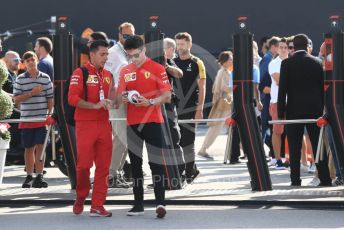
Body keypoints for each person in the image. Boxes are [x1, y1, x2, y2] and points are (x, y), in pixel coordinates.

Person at [117, 35, 170, 218]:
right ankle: (138, 204)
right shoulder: (125, 70)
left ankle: (160, 203)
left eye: (137, 55)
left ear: (144, 50)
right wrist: (123, 97)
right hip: (133, 123)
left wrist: (150, 101)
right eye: (130, 56)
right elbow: (118, 97)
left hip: (154, 121)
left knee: (156, 163)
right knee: (136, 165)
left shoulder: (157, 68)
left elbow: (167, 96)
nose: (134, 59)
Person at [278, 34, 332, 186]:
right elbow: (323, 90)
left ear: (293, 47)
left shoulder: (286, 64)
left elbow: (282, 90)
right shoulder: (317, 62)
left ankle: (295, 180)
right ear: (307, 46)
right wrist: (325, 111)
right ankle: (325, 179)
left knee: (294, 147)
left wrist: (281, 113)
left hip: (293, 110)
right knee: (317, 145)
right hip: (315, 111)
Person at [69, 40, 113, 217]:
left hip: (104, 124)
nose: (106, 57)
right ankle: (81, 197)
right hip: (85, 124)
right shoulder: (80, 72)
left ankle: (97, 205)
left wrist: (117, 100)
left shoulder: (109, 74)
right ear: (92, 54)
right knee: (84, 165)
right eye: (102, 54)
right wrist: (94, 106)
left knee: (104, 167)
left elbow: (112, 98)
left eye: (107, 54)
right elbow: (72, 99)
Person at [13, 51, 53, 188]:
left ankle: (39, 176)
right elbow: (16, 99)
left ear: (36, 60)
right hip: (26, 119)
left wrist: (49, 115)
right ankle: (29, 176)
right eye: (27, 60)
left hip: (42, 119)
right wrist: (32, 93)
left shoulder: (46, 78)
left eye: (33, 59)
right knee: (28, 148)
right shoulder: (20, 79)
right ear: (24, 63)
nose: (31, 62)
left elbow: (50, 98)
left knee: (41, 148)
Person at [104, 22, 135, 188]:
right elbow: (107, 77)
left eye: (131, 35)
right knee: (121, 139)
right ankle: (109, 175)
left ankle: (115, 174)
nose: (128, 38)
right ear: (119, 36)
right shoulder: (113, 53)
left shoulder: (128, 53)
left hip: (128, 99)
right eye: (125, 35)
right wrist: (111, 99)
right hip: (117, 100)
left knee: (125, 140)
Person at [174, 32, 206, 183]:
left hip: (191, 107)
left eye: (183, 44)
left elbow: (203, 87)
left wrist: (199, 110)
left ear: (190, 44)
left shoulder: (197, 62)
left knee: (188, 140)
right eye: (178, 44)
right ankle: (188, 169)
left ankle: (189, 173)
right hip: (174, 108)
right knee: (177, 141)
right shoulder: (172, 62)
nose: (180, 47)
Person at [198, 51, 232, 159]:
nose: (232, 61)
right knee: (216, 128)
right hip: (223, 104)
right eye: (230, 59)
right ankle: (203, 149)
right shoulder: (223, 72)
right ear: (225, 61)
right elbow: (222, 87)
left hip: (225, 103)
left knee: (230, 127)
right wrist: (236, 86)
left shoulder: (225, 71)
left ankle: (241, 150)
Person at [268, 37, 289, 169]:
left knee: (293, 131)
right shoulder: (274, 63)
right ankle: (277, 159)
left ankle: (290, 159)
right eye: (281, 47)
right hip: (277, 102)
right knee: (277, 131)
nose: (283, 49)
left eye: (286, 47)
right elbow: (278, 80)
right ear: (277, 48)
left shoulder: (292, 61)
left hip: (292, 101)